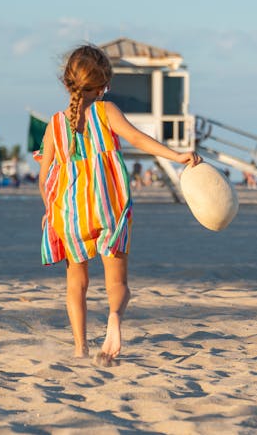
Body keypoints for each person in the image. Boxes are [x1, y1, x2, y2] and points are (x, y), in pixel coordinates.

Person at [37, 44, 201, 366]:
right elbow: (140, 139)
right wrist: (177, 157)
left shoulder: (54, 125)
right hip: (108, 206)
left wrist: (52, 211)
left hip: (70, 212)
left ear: (68, 82)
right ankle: (113, 318)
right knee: (118, 283)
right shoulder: (106, 112)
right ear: (104, 85)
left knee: (76, 284)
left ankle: (79, 348)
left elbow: (44, 178)